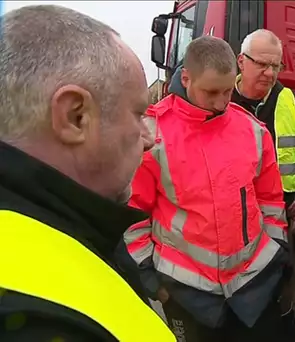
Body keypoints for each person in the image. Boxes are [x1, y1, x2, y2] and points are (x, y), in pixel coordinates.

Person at [0, 5, 175, 342]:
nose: (149, 138)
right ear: (75, 116)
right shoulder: (38, 322)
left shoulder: (53, 230)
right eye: (139, 113)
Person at [116, 35, 295, 342]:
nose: (221, 102)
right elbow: (132, 214)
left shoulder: (252, 129)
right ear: (185, 78)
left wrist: (277, 251)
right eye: (211, 92)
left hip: (254, 284)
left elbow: (271, 201)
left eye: (227, 91)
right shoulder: (151, 134)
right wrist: (148, 276)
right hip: (186, 293)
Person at [230, 29, 295, 322]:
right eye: (262, 64)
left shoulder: (289, 100)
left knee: (278, 276)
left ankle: (278, 318)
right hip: (233, 211)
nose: (270, 73)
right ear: (241, 62)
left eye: (276, 66)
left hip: (279, 211)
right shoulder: (221, 96)